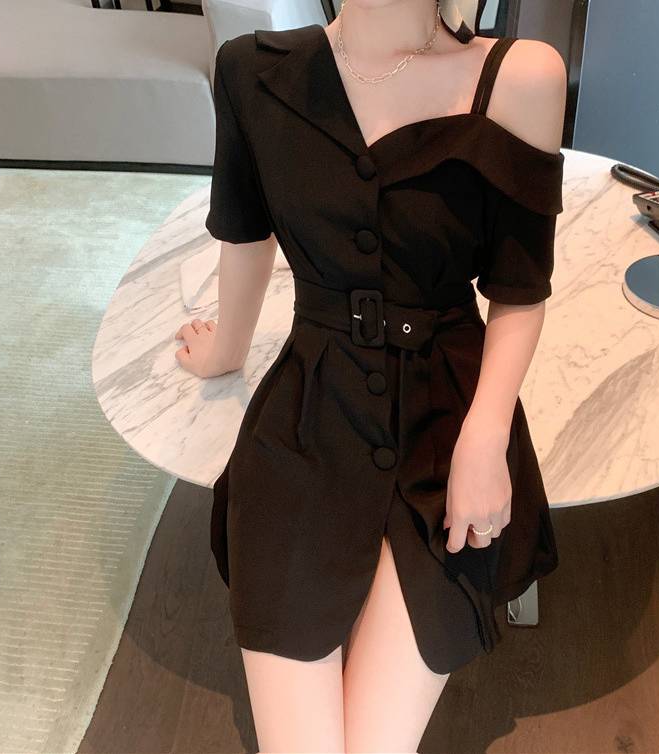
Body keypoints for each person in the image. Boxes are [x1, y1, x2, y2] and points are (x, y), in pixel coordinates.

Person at [174, 0, 566, 750]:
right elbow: (246, 235)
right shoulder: (252, 73)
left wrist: (486, 438)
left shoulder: (518, 78)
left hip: (449, 420)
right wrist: (225, 348)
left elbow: (519, 290)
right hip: (310, 414)